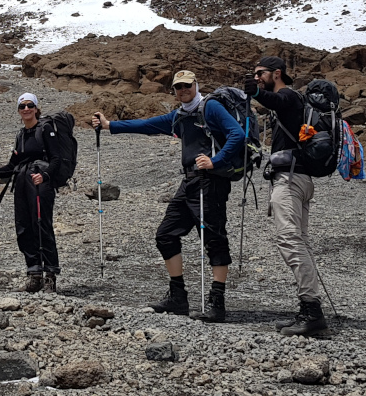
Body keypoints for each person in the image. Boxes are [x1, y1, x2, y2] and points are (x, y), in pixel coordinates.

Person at [92, 70, 242, 323]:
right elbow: (148, 125)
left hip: (211, 182)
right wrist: (110, 126)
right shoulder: (180, 116)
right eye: (178, 87)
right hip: (190, 182)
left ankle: (217, 303)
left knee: (214, 239)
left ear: (196, 85)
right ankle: (178, 297)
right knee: (166, 234)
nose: (182, 90)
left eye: (186, 85)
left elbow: (237, 133)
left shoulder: (211, 107)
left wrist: (215, 161)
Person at [248, 56, 328, 336]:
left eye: (261, 74)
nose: (257, 77)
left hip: (290, 180)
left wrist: (256, 92)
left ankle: (312, 312)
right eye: (255, 75)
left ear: (277, 73)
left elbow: (278, 102)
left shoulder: (288, 96)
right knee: (300, 241)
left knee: (289, 239)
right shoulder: (293, 102)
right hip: (300, 178)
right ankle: (309, 308)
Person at [0, 93, 75, 292]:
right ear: (18, 110)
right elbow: (12, 165)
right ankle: (34, 274)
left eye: (29, 105)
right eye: (22, 106)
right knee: (23, 227)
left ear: (36, 108)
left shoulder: (45, 129)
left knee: (42, 225)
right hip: (23, 182)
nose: (26, 109)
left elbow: (56, 158)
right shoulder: (21, 135)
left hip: (40, 183)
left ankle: (50, 276)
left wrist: (45, 176)